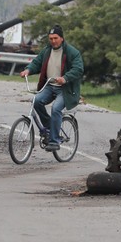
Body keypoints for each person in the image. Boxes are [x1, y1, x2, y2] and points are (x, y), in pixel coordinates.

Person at [19, 24, 84, 152]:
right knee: (36, 101)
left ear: (62, 38)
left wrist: (65, 78)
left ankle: (54, 141)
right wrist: (28, 70)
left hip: (65, 89)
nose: (53, 41)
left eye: (55, 38)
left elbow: (78, 69)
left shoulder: (72, 52)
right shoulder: (47, 50)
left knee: (56, 108)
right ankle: (50, 127)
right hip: (48, 86)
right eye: (51, 38)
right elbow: (37, 62)